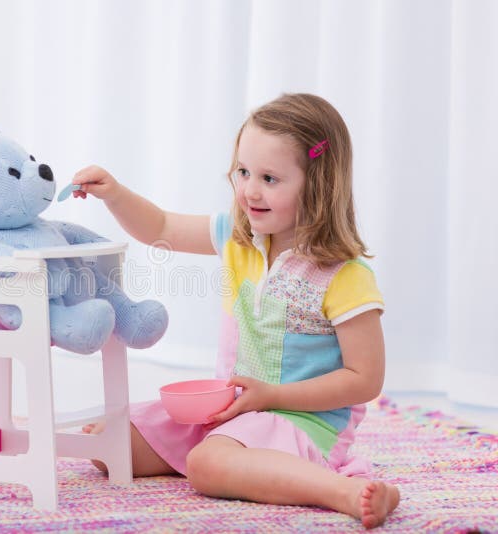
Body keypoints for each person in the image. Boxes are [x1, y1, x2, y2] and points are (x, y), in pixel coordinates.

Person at [74, 93, 400, 529]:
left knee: (206, 466)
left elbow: (365, 380)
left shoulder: (343, 274)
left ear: (318, 184)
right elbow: (162, 228)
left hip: (300, 421)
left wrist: (273, 397)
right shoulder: (238, 236)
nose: (249, 189)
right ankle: (240, 459)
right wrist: (114, 194)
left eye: (269, 178)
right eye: (243, 172)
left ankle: (340, 489)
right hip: (236, 409)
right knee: (109, 445)